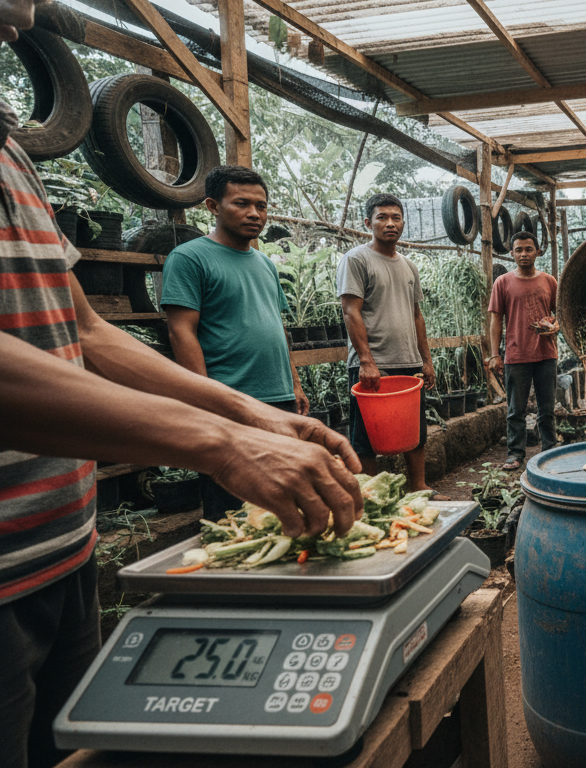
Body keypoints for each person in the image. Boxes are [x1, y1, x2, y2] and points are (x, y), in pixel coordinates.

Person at [0, 6, 361, 764]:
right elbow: (177, 331)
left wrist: (250, 416)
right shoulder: (195, 257)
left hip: (62, 552)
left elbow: (87, 333)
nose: (32, 11)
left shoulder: (11, 151)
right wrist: (220, 441)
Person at [161, 165, 311, 520]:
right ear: (213, 206)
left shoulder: (264, 264)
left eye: (261, 205)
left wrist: (295, 383)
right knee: (232, 508)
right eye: (241, 204)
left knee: (285, 499)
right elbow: (181, 332)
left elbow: (276, 326)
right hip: (230, 400)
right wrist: (206, 400)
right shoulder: (189, 258)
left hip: (280, 400)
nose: (254, 214)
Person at [337, 193, 441, 496]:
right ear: (368, 223)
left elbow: (416, 315)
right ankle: (368, 496)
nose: (390, 223)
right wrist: (367, 361)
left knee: (414, 430)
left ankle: (418, 487)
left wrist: (426, 360)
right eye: (382, 217)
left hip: (408, 362)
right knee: (365, 436)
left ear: (403, 223)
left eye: (396, 217)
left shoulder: (408, 266)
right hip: (373, 364)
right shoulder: (356, 259)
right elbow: (350, 311)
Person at [486, 231, 558, 471]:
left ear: (537, 251)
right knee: (516, 409)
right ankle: (515, 454)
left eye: (528, 249)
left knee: (547, 408)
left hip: (546, 353)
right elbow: (496, 320)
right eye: (519, 250)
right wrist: (495, 354)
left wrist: (555, 325)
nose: (524, 254)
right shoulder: (503, 282)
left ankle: (550, 450)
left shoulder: (549, 281)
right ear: (512, 253)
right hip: (516, 356)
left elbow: (560, 313)